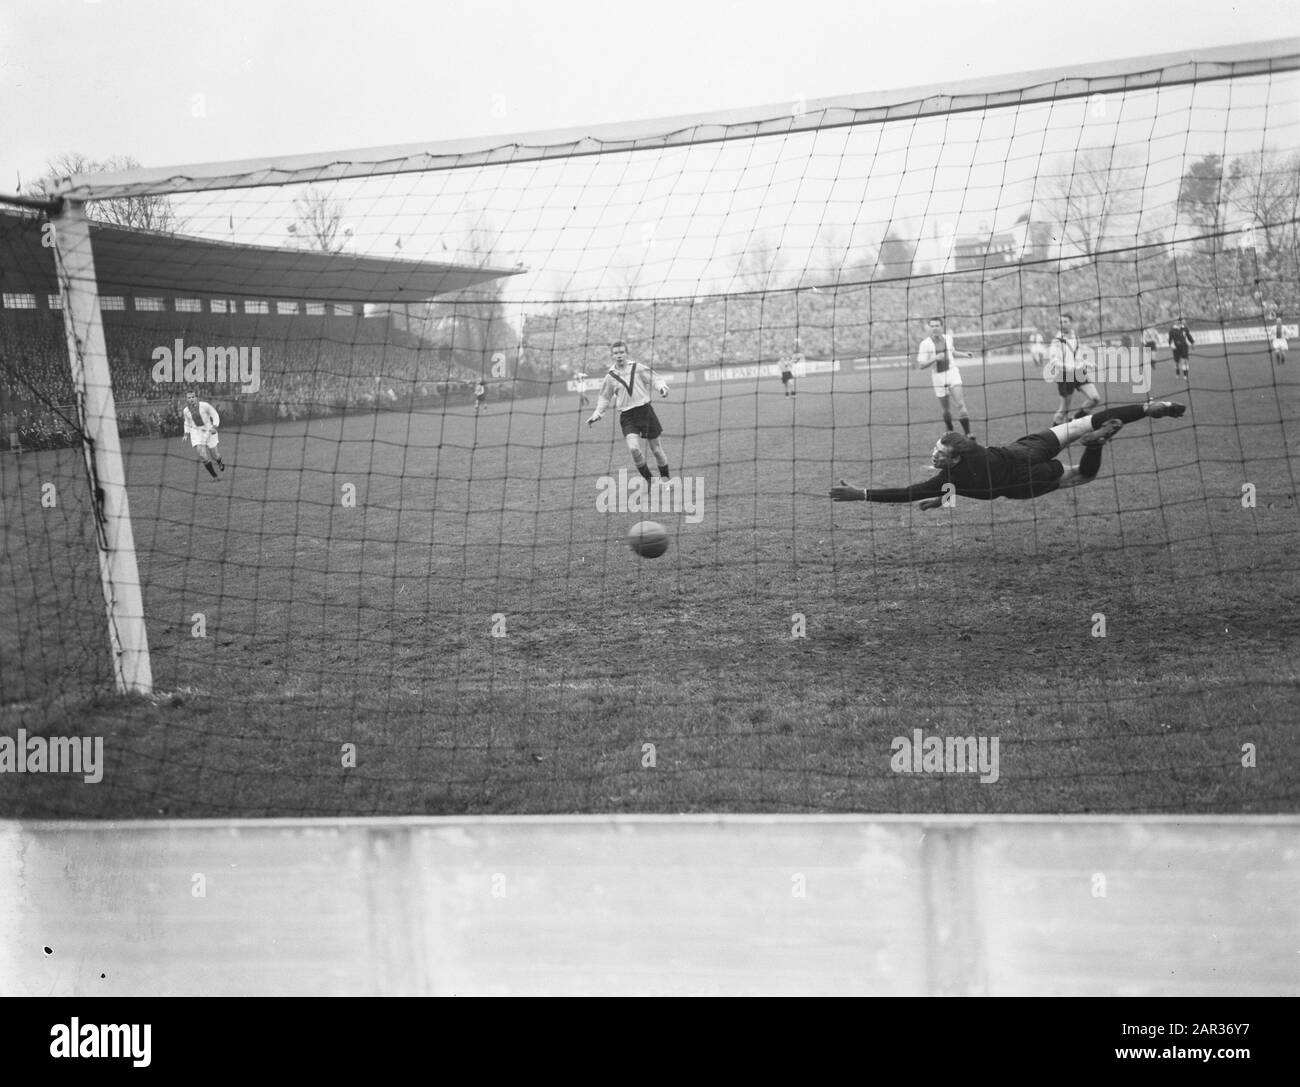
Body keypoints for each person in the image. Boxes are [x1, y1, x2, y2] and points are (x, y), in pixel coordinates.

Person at [829, 401, 1186, 509]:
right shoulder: (972, 454)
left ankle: (1095, 446)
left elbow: (907, 493)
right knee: (1083, 423)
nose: (934, 457)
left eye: (940, 454)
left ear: (953, 460)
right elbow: (961, 480)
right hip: (1024, 448)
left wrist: (861, 493)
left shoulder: (948, 478)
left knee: (1083, 475)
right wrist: (945, 497)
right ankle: (1151, 406)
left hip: (1024, 481)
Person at [587, 340, 672, 485]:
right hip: (627, 416)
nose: (619, 355)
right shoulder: (610, 377)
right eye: (616, 353)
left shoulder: (638, 368)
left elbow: (655, 379)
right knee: (634, 449)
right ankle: (651, 481)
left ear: (626, 353)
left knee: (657, 450)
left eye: (621, 352)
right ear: (612, 356)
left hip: (645, 411)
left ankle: (666, 480)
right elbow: (604, 397)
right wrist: (597, 414)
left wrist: (662, 388)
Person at [916, 316, 973, 435]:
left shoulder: (948, 338)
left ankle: (968, 434)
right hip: (938, 377)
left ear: (941, 326)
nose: (934, 328)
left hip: (952, 373)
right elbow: (921, 365)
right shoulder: (925, 344)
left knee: (960, 403)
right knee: (946, 410)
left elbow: (952, 352)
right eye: (932, 326)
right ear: (929, 328)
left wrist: (964, 354)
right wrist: (935, 358)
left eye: (937, 326)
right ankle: (950, 428)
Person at [1050, 313, 1100, 424]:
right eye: (1061, 322)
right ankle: (1051, 437)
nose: (1063, 324)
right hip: (1065, 376)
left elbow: (1078, 358)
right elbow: (1054, 362)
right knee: (1064, 410)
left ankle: (1075, 419)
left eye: (1065, 322)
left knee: (1095, 399)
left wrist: (1088, 364)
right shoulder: (1056, 341)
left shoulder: (1075, 337)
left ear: (1071, 323)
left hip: (1079, 372)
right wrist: (1070, 367)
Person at [181, 390, 225, 481]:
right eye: (189, 398)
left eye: (193, 397)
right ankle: (214, 476)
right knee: (202, 454)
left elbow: (215, 414)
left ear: (196, 398)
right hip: (196, 432)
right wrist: (186, 433)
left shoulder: (205, 406)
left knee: (214, 454)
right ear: (186, 399)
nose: (191, 399)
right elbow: (187, 422)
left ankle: (219, 461)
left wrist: (215, 426)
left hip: (209, 429)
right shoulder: (185, 411)